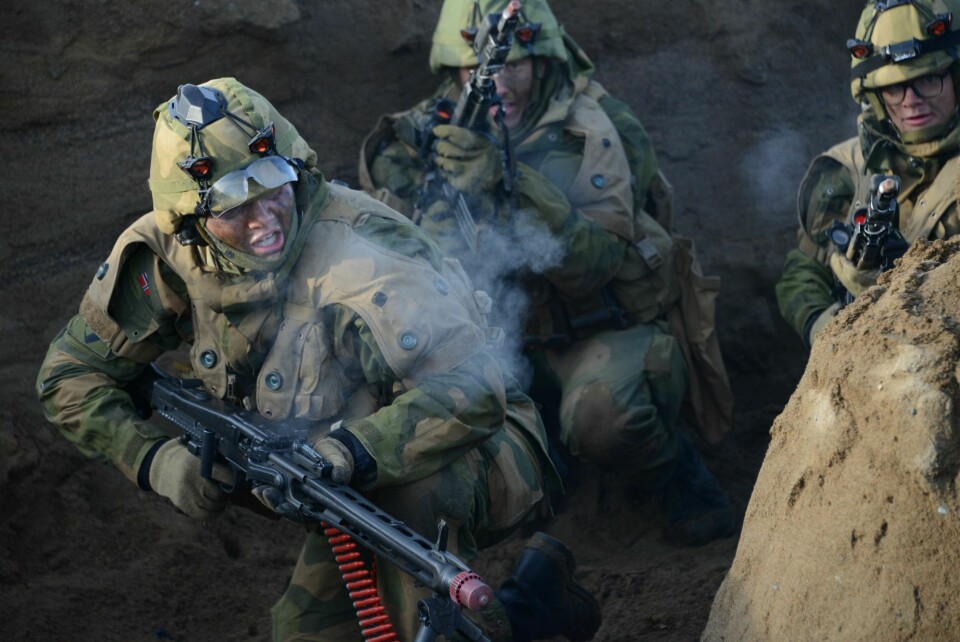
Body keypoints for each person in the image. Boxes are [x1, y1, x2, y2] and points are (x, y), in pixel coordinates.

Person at [35, 77, 602, 642]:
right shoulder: (164, 255)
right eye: (235, 206)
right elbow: (69, 376)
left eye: (273, 184)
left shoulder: (364, 255)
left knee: (415, 547)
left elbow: (473, 395)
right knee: (303, 633)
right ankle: (534, 606)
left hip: (477, 445)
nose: (264, 220)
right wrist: (155, 461)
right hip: (332, 474)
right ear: (189, 220)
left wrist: (343, 453)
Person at [358, 0, 736, 546]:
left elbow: (598, 264)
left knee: (603, 421)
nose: (500, 87)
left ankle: (679, 479)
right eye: (481, 72)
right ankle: (547, 467)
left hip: (597, 327)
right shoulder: (419, 137)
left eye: (515, 65)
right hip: (501, 344)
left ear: (542, 60)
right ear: (455, 72)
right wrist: (430, 228)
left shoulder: (593, 130)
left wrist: (513, 185)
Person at [777, 0, 960, 347]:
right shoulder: (844, 171)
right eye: (894, 88)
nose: (911, 100)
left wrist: (912, 277)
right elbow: (801, 273)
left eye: (928, 79)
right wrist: (826, 327)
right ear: (874, 95)